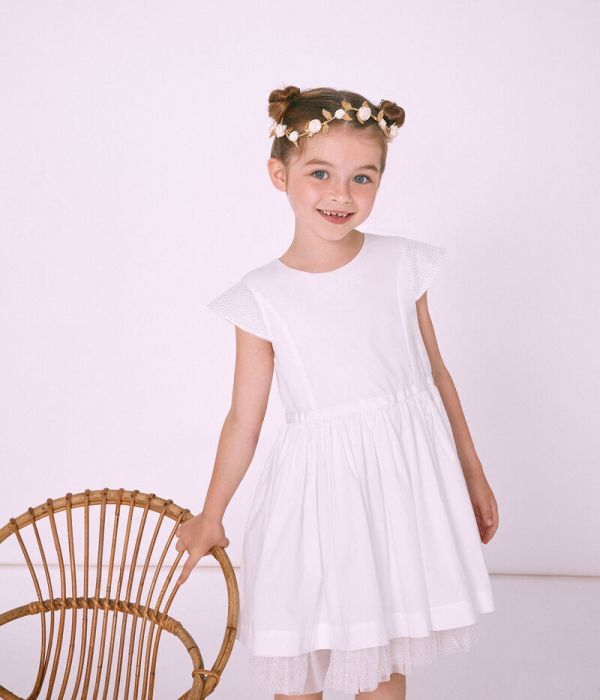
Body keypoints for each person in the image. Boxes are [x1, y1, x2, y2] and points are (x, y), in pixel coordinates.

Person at [174, 85, 498, 700]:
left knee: (380, 650)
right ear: (280, 174)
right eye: (320, 173)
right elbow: (244, 417)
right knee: (302, 651)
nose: (341, 194)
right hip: (314, 494)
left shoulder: (402, 265)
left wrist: (473, 474)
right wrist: (212, 514)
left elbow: (436, 374)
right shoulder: (262, 295)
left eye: (362, 178)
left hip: (396, 493)